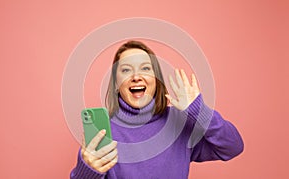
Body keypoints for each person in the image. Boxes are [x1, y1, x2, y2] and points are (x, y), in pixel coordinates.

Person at [70, 40, 244, 178]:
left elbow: (232, 146)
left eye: (145, 68)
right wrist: (88, 171)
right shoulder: (103, 132)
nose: (136, 77)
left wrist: (199, 111)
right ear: (116, 84)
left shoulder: (179, 122)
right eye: (126, 70)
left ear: (156, 79)